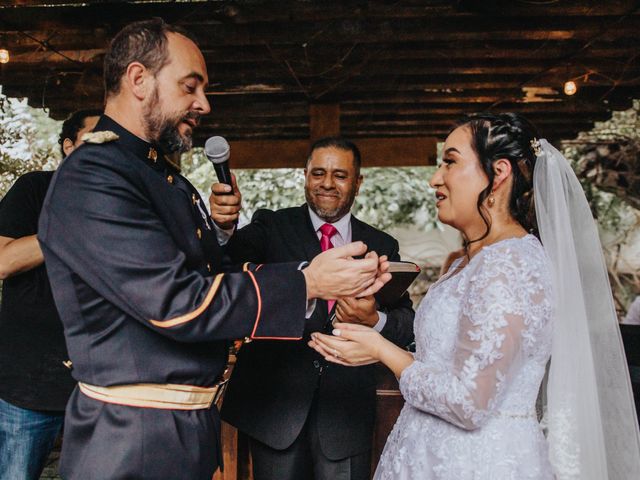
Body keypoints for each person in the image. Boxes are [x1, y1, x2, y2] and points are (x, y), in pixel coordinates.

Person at [37, 19, 389, 480]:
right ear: (139, 79)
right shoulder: (95, 177)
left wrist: (324, 275)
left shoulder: (161, 179)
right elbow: (177, 302)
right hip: (133, 438)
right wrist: (308, 282)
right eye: (190, 87)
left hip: (180, 429)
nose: (203, 104)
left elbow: (217, 272)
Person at [310, 113, 640, 479]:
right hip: (431, 455)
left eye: (450, 161)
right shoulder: (471, 263)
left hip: (476, 463)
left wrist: (380, 348)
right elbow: (459, 364)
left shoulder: (510, 264)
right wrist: (375, 348)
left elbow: (468, 403)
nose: (435, 178)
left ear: (498, 173)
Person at [213, 137, 415, 480]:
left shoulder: (381, 244)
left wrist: (374, 320)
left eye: (339, 175)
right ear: (305, 176)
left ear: (358, 182)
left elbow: (406, 323)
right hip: (275, 408)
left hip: (346, 411)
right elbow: (225, 265)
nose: (326, 183)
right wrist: (222, 226)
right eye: (318, 173)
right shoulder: (271, 227)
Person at [0, 108, 100, 480]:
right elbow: (3, 261)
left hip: (97, 389)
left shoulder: (122, 201)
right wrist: (67, 227)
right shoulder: (34, 188)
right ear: (68, 146)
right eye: (92, 141)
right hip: (25, 386)